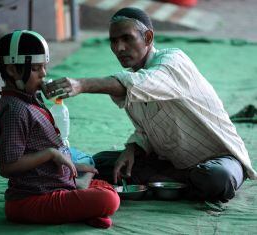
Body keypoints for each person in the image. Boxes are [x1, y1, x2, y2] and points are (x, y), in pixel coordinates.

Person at [43, 7, 257, 203]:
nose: (119, 48)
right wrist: (133, 148)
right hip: (172, 162)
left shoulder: (173, 61)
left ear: (148, 37)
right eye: (113, 41)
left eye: (127, 38)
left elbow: (140, 84)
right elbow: (148, 128)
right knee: (99, 164)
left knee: (218, 178)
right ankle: (173, 182)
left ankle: (166, 181)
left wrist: (81, 85)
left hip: (219, 161)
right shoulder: (133, 80)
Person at [0, 30, 119, 228]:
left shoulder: (28, 98)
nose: (43, 74)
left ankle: (79, 206)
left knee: (94, 171)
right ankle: (83, 203)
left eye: (44, 67)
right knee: (109, 199)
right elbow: (7, 166)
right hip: (30, 200)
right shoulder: (15, 110)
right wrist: (51, 154)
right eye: (35, 69)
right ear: (12, 71)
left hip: (52, 183)